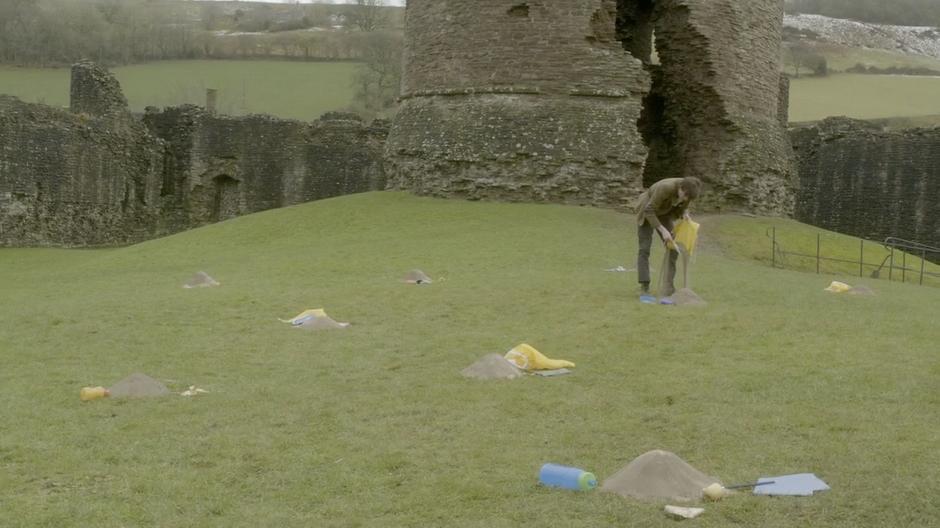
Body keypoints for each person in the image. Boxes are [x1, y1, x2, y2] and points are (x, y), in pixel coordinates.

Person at [635, 176, 703, 297]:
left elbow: (683, 207)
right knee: (644, 249)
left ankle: (668, 287)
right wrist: (663, 230)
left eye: (688, 198)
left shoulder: (688, 190)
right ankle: (644, 285)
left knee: (673, 247)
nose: (686, 199)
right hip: (647, 210)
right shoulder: (665, 187)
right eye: (685, 196)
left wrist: (685, 214)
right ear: (681, 188)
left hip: (664, 213)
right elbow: (649, 210)